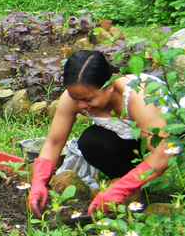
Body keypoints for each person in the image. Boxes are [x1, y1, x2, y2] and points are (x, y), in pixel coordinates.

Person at [28, 50, 176, 217]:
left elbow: (163, 153)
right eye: (75, 99)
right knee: (90, 141)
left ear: (109, 86)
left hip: (176, 138)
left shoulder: (137, 95)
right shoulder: (75, 98)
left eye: (88, 99)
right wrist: (38, 181)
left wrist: (120, 189)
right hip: (131, 140)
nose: (81, 105)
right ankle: (132, 183)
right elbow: (54, 143)